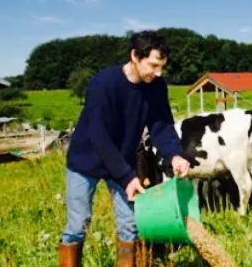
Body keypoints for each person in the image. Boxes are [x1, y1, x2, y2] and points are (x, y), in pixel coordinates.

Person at [58, 30, 191, 266]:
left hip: (122, 161)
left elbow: (161, 125)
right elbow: (99, 136)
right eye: (152, 65)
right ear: (135, 56)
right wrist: (127, 176)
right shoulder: (103, 83)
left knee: (129, 225)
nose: (157, 72)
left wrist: (174, 155)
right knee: (78, 225)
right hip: (86, 161)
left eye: (162, 66)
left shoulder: (156, 86)